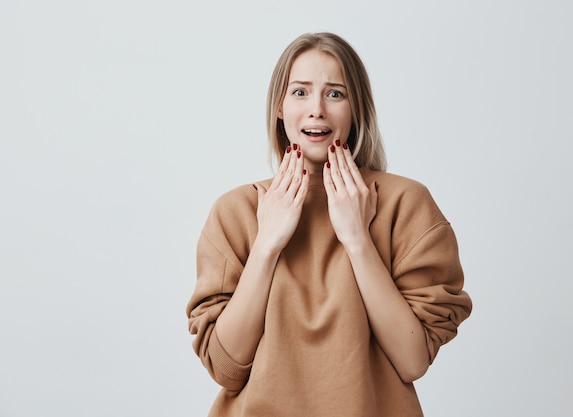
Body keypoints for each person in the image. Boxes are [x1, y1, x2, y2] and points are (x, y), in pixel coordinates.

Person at [186, 32, 472, 417]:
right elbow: (225, 368)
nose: (316, 109)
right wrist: (268, 243)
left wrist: (357, 239)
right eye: (300, 92)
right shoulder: (235, 211)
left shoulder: (405, 204)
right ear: (279, 107)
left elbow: (412, 360)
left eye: (335, 93)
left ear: (357, 108)